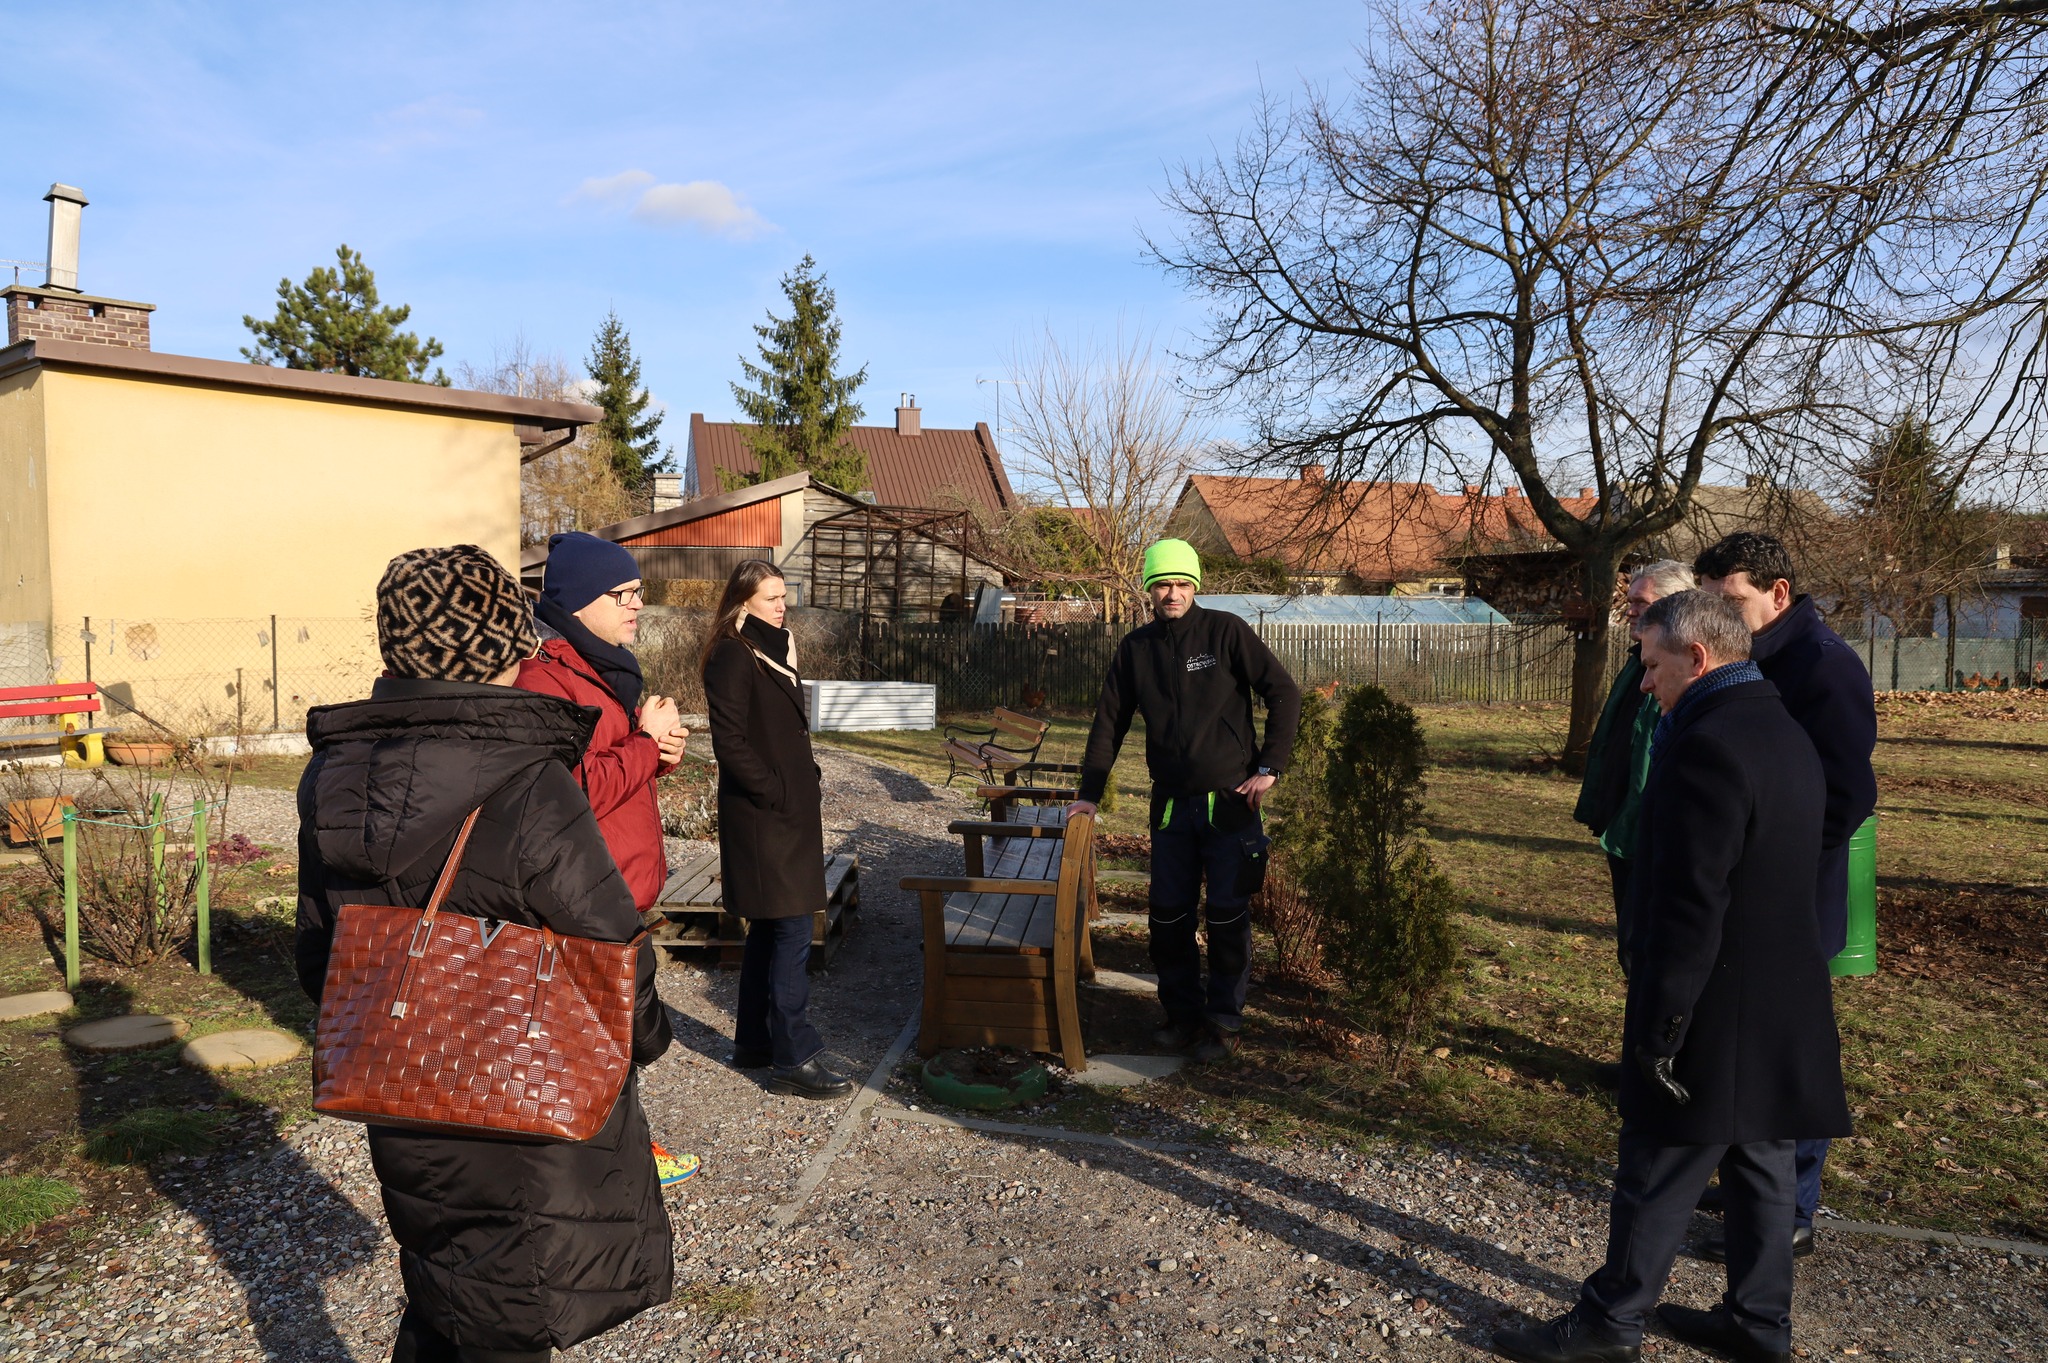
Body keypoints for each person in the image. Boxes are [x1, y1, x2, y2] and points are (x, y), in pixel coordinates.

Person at [295, 545, 674, 1363]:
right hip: (514, 1092)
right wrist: (645, 1038)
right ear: (503, 644)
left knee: (441, 1278)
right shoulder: (529, 780)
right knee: (512, 1307)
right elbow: (611, 947)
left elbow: (316, 956)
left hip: (397, 1081)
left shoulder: (332, 773)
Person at [1493, 590, 1850, 1363]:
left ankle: (1607, 1326)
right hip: (1784, 992)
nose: (1645, 683)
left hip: (1716, 1003)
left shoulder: (1708, 744)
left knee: (1657, 1161)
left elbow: (1692, 902)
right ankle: (1758, 1324)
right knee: (1761, 1165)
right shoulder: (1782, 727)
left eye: (1652, 665)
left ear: (1697, 656)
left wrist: (1662, 1028)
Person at [1695, 531, 1876, 1261]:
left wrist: (1781, 866)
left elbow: (1847, 793)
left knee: (1794, 1048)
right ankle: (1757, 1183)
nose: (1722, 619)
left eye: (1732, 602)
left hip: (1794, 894)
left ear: (1778, 592)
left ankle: (1792, 1208)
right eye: (1711, 605)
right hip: (1751, 887)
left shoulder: (1823, 666)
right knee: (1751, 1041)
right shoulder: (1756, 654)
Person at [1069, 539, 1302, 1065]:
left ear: (1194, 584)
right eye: (1161, 583)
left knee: (1225, 916)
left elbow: (1284, 692)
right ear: (1148, 589)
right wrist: (1088, 795)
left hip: (1229, 803)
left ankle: (1223, 1021)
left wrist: (1269, 767)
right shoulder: (1136, 648)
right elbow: (1109, 723)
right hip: (1172, 805)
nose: (1171, 593)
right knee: (1169, 917)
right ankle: (1181, 1015)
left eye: (1180, 583)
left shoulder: (1225, 631)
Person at [519, 530, 698, 1185]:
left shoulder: (606, 669)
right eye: (621, 593)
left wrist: (661, 756)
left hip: (619, 890)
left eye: (638, 593)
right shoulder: (547, 678)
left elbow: (619, 772)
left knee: (614, 1033)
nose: (636, 605)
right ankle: (603, 1158)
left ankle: (615, 1148)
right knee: (601, 1035)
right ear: (578, 600)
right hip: (583, 895)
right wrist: (647, 745)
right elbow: (572, 789)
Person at [701, 558, 853, 1100]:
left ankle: (754, 1043)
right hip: (764, 818)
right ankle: (795, 1056)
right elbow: (730, 742)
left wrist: (802, 777)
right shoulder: (732, 654)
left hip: (785, 813)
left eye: (783, 595)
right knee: (789, 931)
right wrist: (776, 789)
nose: (781, 605)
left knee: (768, 929)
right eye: (771, 598)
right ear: (744, 602)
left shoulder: (771, 649)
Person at [1574, 560, 1696, 971]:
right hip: (1624, 824)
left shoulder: (1684, 670)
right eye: (1629, 602)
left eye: (1640, 603)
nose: (1629, 611)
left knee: (1648, 947)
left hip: (1652, 832)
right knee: (1631, 943)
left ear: (1675, 605)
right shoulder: (1637, 660)